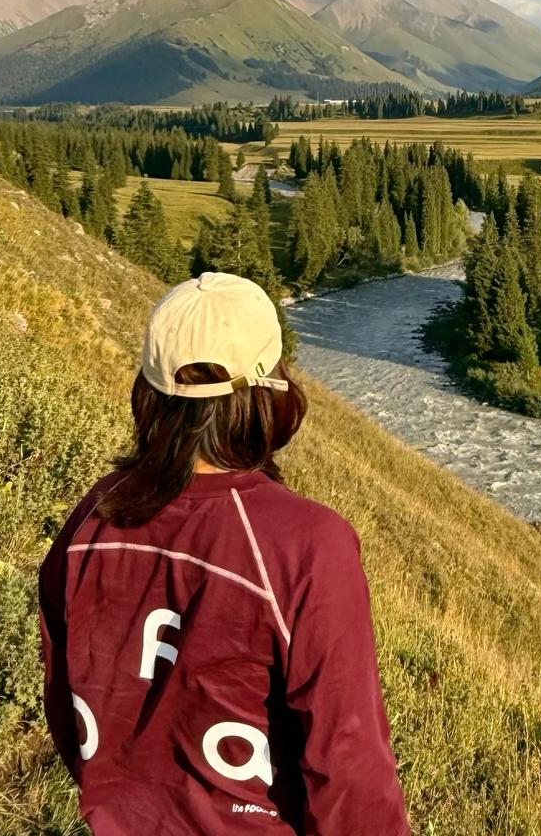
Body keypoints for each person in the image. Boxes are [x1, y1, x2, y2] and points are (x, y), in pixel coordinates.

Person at [40, 272, 409, 834]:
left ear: (149, 392)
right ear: (271, 388)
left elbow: (65, 697)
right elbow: (349, 766)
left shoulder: (96, 513)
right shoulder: (307, 543)